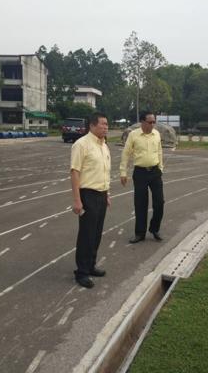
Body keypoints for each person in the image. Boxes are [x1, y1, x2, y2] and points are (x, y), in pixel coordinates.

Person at [70, 112, 111, 288]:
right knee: (86, 235)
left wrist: (107, 194)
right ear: (92, 125)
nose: (106, 127)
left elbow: (104, 171)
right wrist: (77, 200)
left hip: (101, 194)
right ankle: (82, 272)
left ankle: (91, 265)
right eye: (103, 124)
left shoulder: (104, 145)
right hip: (88, 195)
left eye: (107, 124)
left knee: (96, 233)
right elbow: (75, 172)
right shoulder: (81, 144)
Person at [120, 111, 164, 244]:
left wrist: (161, 168)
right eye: (150, 122)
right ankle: (140, 233)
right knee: (140, 204)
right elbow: (126, 153)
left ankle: (154, 229)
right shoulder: (133, 135)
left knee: (159, 202)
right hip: (140, 173)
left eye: (154, 122)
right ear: (143, 122)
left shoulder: (156, 134)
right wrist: (123, 172)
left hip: (155, 172)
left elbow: (159, 151)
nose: (153, 124)